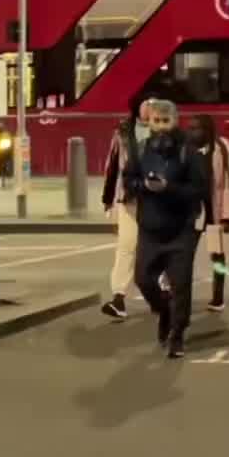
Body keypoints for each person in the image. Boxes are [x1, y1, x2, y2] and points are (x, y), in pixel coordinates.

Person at [124, 100, 209, 359]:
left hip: (180, 230)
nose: (160, 127)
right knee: (143, 279)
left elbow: (199, 190)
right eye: (156, 121)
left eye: (165, 121)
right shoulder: (140, 150)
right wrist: (143, 186)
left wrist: (169, 189)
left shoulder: (188, 152)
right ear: (149, 123)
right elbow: (128, 180)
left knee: (180, 285)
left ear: (175, 121)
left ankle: (177, 335)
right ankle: (164, 311)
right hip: (150, 228)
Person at [100, 92, 153, 321]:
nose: (151, 108)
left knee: (156, 249)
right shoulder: (122, 133)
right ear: (137, 106)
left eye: (154, 104)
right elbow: (112, 166)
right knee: (126, 246)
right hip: (129, 197)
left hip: (158, 200)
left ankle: (162, 294)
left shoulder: (165, 130)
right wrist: (107, 199)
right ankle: (119, 298)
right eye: (147, 104)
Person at [186, 112, 229, 311]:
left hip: (214, 211)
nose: (192, 132)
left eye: (196, 128)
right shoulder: (185, 149)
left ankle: (218, 296)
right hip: (191, 213)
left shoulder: (222, 149)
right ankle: (181, 294)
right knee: (184, 255)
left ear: (207, 130)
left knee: (218, 257)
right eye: (190, 128)